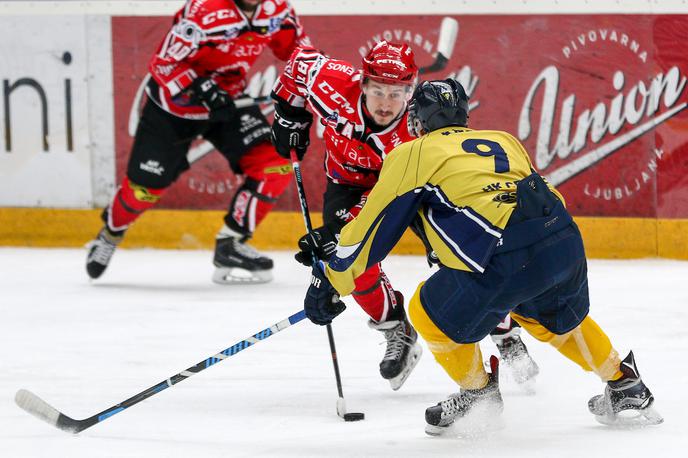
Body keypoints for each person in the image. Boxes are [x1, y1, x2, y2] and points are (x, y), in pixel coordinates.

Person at [302, 78, 663, 434]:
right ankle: (624, 384)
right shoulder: (503, 140)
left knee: (425, 312)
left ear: (418, 120)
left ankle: (478, 393)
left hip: (503, 256)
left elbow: (371, 230)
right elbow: (543, 192)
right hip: (562, 238)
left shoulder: (412, 153)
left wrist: (331, 280)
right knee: (553, 320)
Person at [271, 42, 538, 389]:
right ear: (362, 84)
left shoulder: (418, 131)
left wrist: (346, 229)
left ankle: (503, 331)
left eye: (396, 94)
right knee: (351, 261)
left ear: (410, 92)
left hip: (413, 190)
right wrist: (289, 114)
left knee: (461, 258)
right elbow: (298, 63)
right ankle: (395, 327)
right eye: (378, 91)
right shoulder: (331, 83)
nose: (385, 103)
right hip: (347, 183)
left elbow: (385, 204)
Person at [86, 0, 309, 284]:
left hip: (228, 101)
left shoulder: (279, 10)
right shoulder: (204, 10)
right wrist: (199, 86)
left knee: (274, 162)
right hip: (174, 106)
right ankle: (110, 233)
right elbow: (163, 63)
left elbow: (301, 54)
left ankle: (232, 242)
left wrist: (317, 82)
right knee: (142, 190)